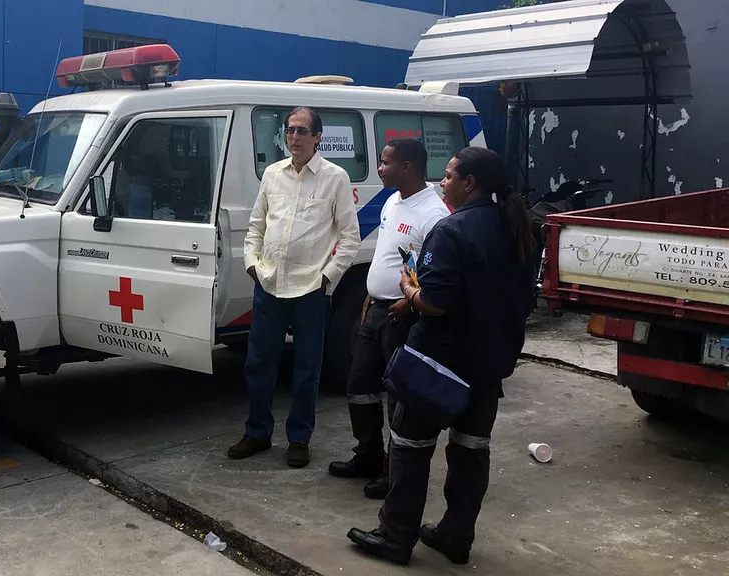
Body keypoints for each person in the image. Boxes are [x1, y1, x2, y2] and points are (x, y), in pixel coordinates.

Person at [347, 147, 535, 566]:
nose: (442, 182)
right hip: (489, 363)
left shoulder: (452, 231)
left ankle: (396, 537)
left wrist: (409, 290)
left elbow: (435, 302)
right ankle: (455, 535)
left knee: (410, 447)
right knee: (470, 450)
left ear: (469, 183)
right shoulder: (519, 229)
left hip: (439, 364)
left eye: (449, 176)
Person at [228, 107, 361, 468]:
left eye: (302, 131)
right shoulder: (272, 174)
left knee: (306, 369)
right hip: (269, 285)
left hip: (310, 291)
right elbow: (256, 225)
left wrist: (327, 278)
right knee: (258, 364)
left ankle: (299, 439)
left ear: (317, 137)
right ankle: (257, 432)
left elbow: (350, 237)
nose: (295, 137)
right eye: (290, 131)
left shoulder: (335, 178)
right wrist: (252, 264)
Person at [328, 139, 449, 498]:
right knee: (359, 386)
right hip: (375, 309)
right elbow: (390, 256)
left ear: (408, 166)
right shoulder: (393, 200)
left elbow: (435, 275)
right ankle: (367, 455)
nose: (379, 169)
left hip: (403, 316)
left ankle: (391, 472)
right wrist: (371, 293)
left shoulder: (434, 214)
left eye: (384, 163)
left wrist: (410, 305)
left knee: (396, 397)